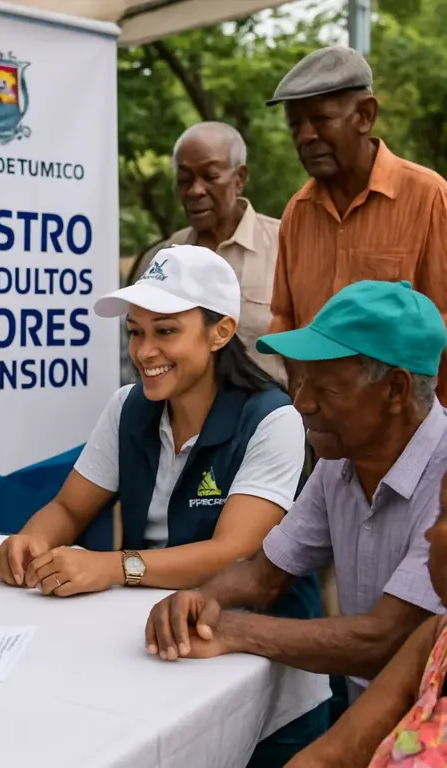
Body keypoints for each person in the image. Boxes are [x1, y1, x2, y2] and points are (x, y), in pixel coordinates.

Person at [0, 245, 325, 766]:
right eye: (135, 331)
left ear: (220, 332)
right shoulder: (127, 406)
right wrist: (31, 541)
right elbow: (69, 508)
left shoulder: (272, 418)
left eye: (165, 331)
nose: (144, 350)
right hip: (157, 649)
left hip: (259, 668)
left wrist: (112, 567)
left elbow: (234, 553)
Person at [146, 280, 447, 714]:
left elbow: (387, 639)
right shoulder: (338, 462)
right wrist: (203, 599)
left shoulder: (444, 480)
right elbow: (264, 574)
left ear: (396, 390)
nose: (302, 403)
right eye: (301, 382)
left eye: (325, 390)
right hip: (371, 713)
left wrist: (230, 630)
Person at [266, 45, 447, 401]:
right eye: (295, 124)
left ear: (365, 115)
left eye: (320, 120)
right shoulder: (297, 212)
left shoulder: (430, 199)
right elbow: (284, 320)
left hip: (410, 435)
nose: (305, 136)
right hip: (321, 432)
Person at [285, 471, 447, 768]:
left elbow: (378, 636)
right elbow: (329, 756)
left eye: (444, 514)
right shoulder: (436, 641)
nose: (430, 533)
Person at [128, 122, 283, 383]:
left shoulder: (285, 246)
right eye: (185, 179)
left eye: (210, 177)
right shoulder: (163, 257)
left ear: (240, 178)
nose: (195, 191)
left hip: (271, 415)